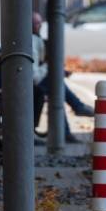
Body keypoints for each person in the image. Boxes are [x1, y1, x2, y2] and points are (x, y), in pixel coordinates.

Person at [31, 12, 95, 144]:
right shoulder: (32, 44)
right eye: (36, 23)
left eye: (40, 23)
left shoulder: (35, 40)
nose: (39, 26)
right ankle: (77, 108)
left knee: (57, 88)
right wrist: (49, 67)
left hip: (30, 84)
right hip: (28, 86)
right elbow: (35, 77)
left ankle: (69, 125)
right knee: (55, 85)